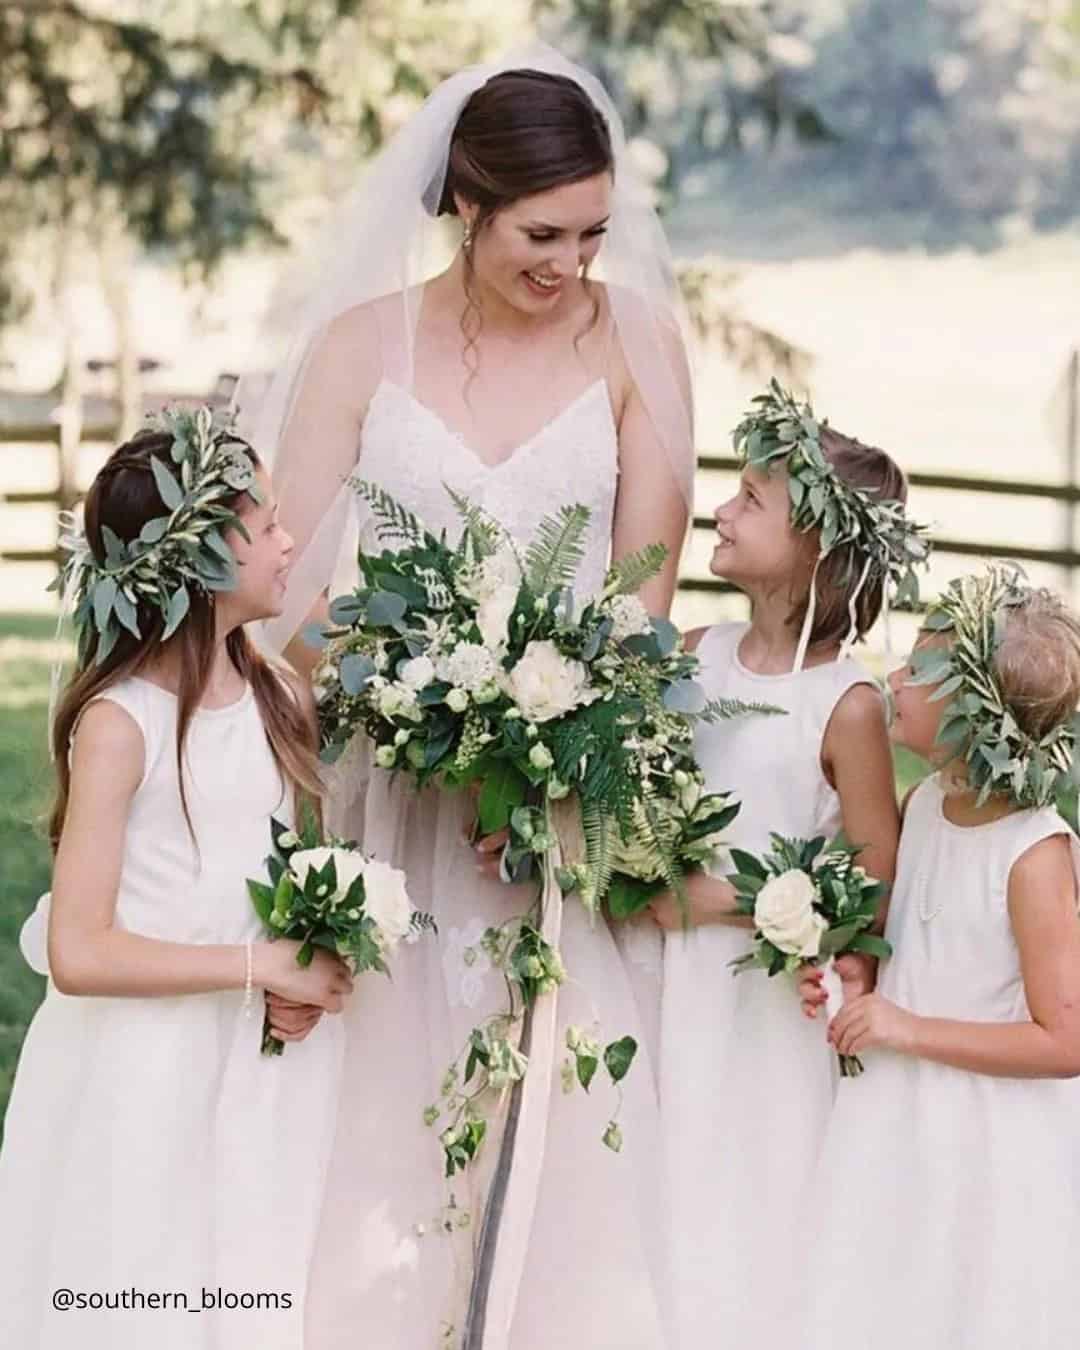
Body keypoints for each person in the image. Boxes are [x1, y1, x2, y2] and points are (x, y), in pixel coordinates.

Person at [237, 42, 695, 1350]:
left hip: (544, 813)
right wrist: (411, 689)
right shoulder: (358, 347)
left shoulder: (639, 347)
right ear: (464, 205)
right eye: (542, 233)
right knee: (376, 1113)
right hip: (376, 793)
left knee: (543, 1112)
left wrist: (553, 753)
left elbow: (644, 607)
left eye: (596, 232)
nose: (574, 264)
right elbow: (280, 605)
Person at [0, 410, 352, 1350]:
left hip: (252, 1074)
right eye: (268, 524)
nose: (290, 541)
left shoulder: (275, 692)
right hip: (140, 1076)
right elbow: (79, 951)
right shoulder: (122, 725)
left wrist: (302, 966)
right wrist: (263, 965)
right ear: (196, 558)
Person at [651, 383, 921, 1349]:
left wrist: (715, 901)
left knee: (750, 1204)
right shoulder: (688, 655)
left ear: (813, 547)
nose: (719, 511)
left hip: (762, 1007)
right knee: (654, 1191)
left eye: (750, 499)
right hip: (656, 981)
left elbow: (871, 884)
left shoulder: (844, 704)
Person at [796, 568, 1080, 1350]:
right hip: (896, 1122)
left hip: (985, 1149)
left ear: (976, 712)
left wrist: (907, 1028)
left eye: (921, 671)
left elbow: (1065, 1042)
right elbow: (916, 951)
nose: (895, 679)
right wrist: (857, 976)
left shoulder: (1033, 853)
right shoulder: (922, 806)